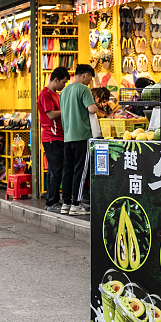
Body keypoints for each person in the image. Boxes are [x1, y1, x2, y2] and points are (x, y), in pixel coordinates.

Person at [60, 64, 98, 216]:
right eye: (90, 78)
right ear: (85, 75)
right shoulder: (84, 89)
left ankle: (66, 203)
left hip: (68, 136)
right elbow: (92, 109)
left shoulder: (64, 91)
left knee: (68, 171)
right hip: (82, 136)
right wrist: (96, 106)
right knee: (80, 171)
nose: (90, 81)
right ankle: (76, 204)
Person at [38, 67, 69, 212]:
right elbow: (50, 115)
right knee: (55, 170)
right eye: (63, 82)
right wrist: (67, 111)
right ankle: (51, 202)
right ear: (55, 80)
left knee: (56, 169)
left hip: (59, 136)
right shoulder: (45, 94)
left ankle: (54, 200)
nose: (64, 85)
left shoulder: (56, 94)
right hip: (51, 137)